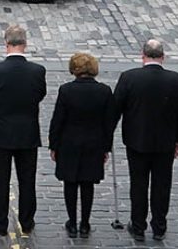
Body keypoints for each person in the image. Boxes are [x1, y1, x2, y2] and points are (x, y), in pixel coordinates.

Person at [109, 39, 178, 242]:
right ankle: (159, 226)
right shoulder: (177, 80)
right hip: (165, 143)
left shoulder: (129, 78)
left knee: (138, 184)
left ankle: (138, 226)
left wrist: (107, 133)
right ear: (163, 57)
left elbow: (115, 109)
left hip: (136, 141)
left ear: (142, 55)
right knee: (162, 185)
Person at [0, 25, 46, 236]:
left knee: (0, 180)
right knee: (27, 180)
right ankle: (27, 221)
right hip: (27, 133)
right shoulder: (37, 71)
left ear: (6, 44)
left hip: (0, 133)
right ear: (25, 44)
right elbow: (40, 94)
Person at [49, 51, 112, 238]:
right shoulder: (104, 91)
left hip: (69, 143)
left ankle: (72, 222)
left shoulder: (66, 90)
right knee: (87, 183)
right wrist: (106, 147)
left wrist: (54, 145)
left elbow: (57, 121)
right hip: (94, 143)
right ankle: (85, 223)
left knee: (70, 183)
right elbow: (108, 124)